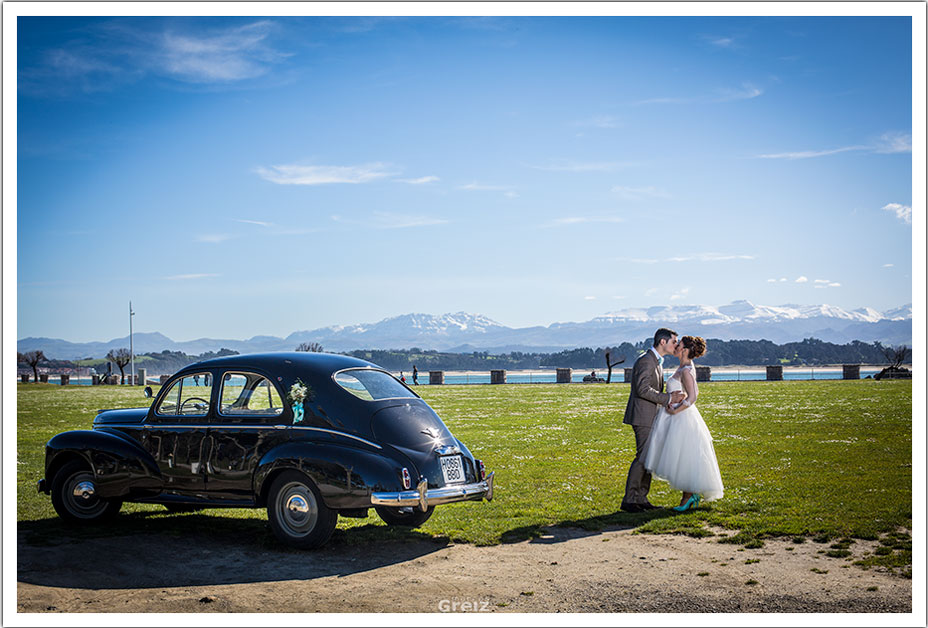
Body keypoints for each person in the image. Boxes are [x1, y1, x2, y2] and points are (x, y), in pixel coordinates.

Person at [644, 335, 724, 511]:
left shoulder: (686, 370)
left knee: (685, 456)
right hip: (675, 416)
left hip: (683, 418)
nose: (675, 346)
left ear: (685, 350)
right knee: (679, 457)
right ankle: (689, 496)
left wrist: (675, 410)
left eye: (678, 345)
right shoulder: (681, 367)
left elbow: (693, 396)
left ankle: (688, 497)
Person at [621, 328, 687, 512]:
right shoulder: (646, 361)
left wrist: (666, 401)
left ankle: (641, 498)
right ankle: (630, 500)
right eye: (674, 341)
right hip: (642, 415)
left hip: (651, 414)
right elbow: (642, 389)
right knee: (642, 457)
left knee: (648, 457)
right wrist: (667, 398)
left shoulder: (656, 361)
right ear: (663, 342)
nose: (676, 345)